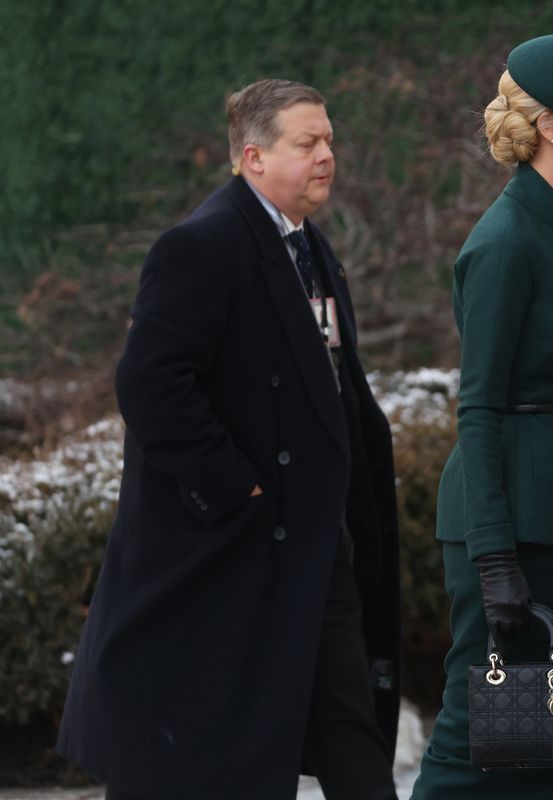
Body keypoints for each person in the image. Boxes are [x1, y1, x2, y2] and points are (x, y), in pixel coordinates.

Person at [56, 79, 402, 800]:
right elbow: (150, 386)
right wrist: (237, 486)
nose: (327, 156)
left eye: (330, 140)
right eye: (307, 143)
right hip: (226, 547)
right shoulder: (199, 246)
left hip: (311, 540)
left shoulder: (312, 247)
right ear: (253, 157)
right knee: (193, 748)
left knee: (349, 720)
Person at [410, 34, 553, 800]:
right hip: (515, 528)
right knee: (487, 738)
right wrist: (495, 558)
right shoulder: (504, 243)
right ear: (548, 123)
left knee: (550, 741)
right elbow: (479, 406)